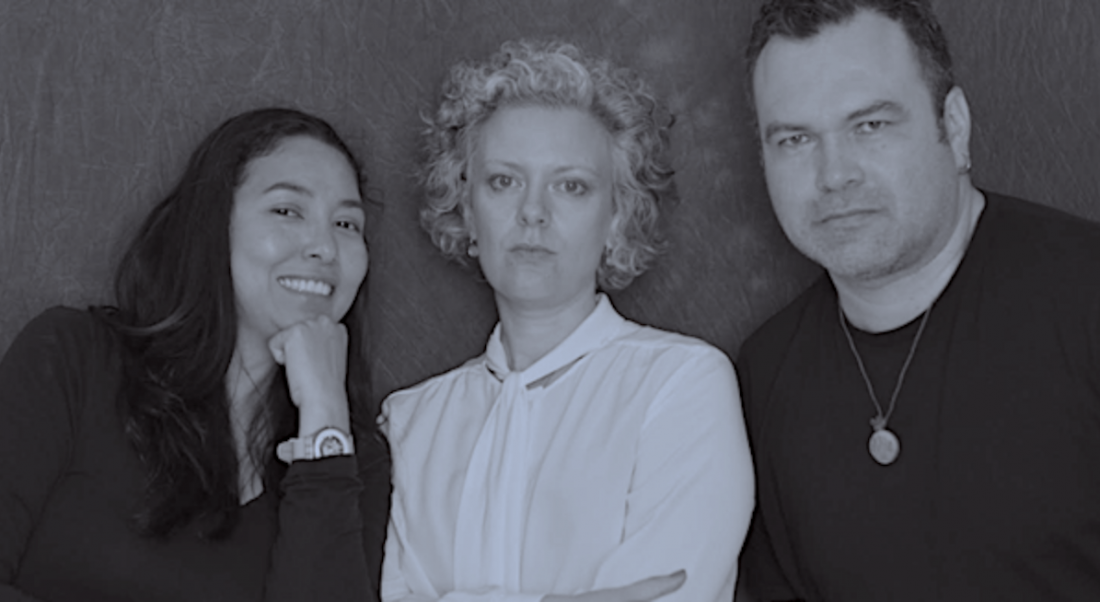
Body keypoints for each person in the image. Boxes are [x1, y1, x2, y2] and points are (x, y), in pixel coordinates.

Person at [736, 0, 1100, 600]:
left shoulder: (1087, 299)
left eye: (870, 125)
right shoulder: (765, 374)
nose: (834, 175)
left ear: (953, 128)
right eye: (796, 138)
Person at [380, 39, 755, 602]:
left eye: (571, 185)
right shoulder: (412, 422)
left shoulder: (682, 386)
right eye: (504, 181)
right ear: (465, 207)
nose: (533, 212)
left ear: (617, 216)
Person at [0, 108, 390, 601]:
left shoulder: (354, 460)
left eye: (346, 223)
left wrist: (325, 418)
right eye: (287, 211)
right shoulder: (73, 359)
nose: (324, 247)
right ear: (213, 223)